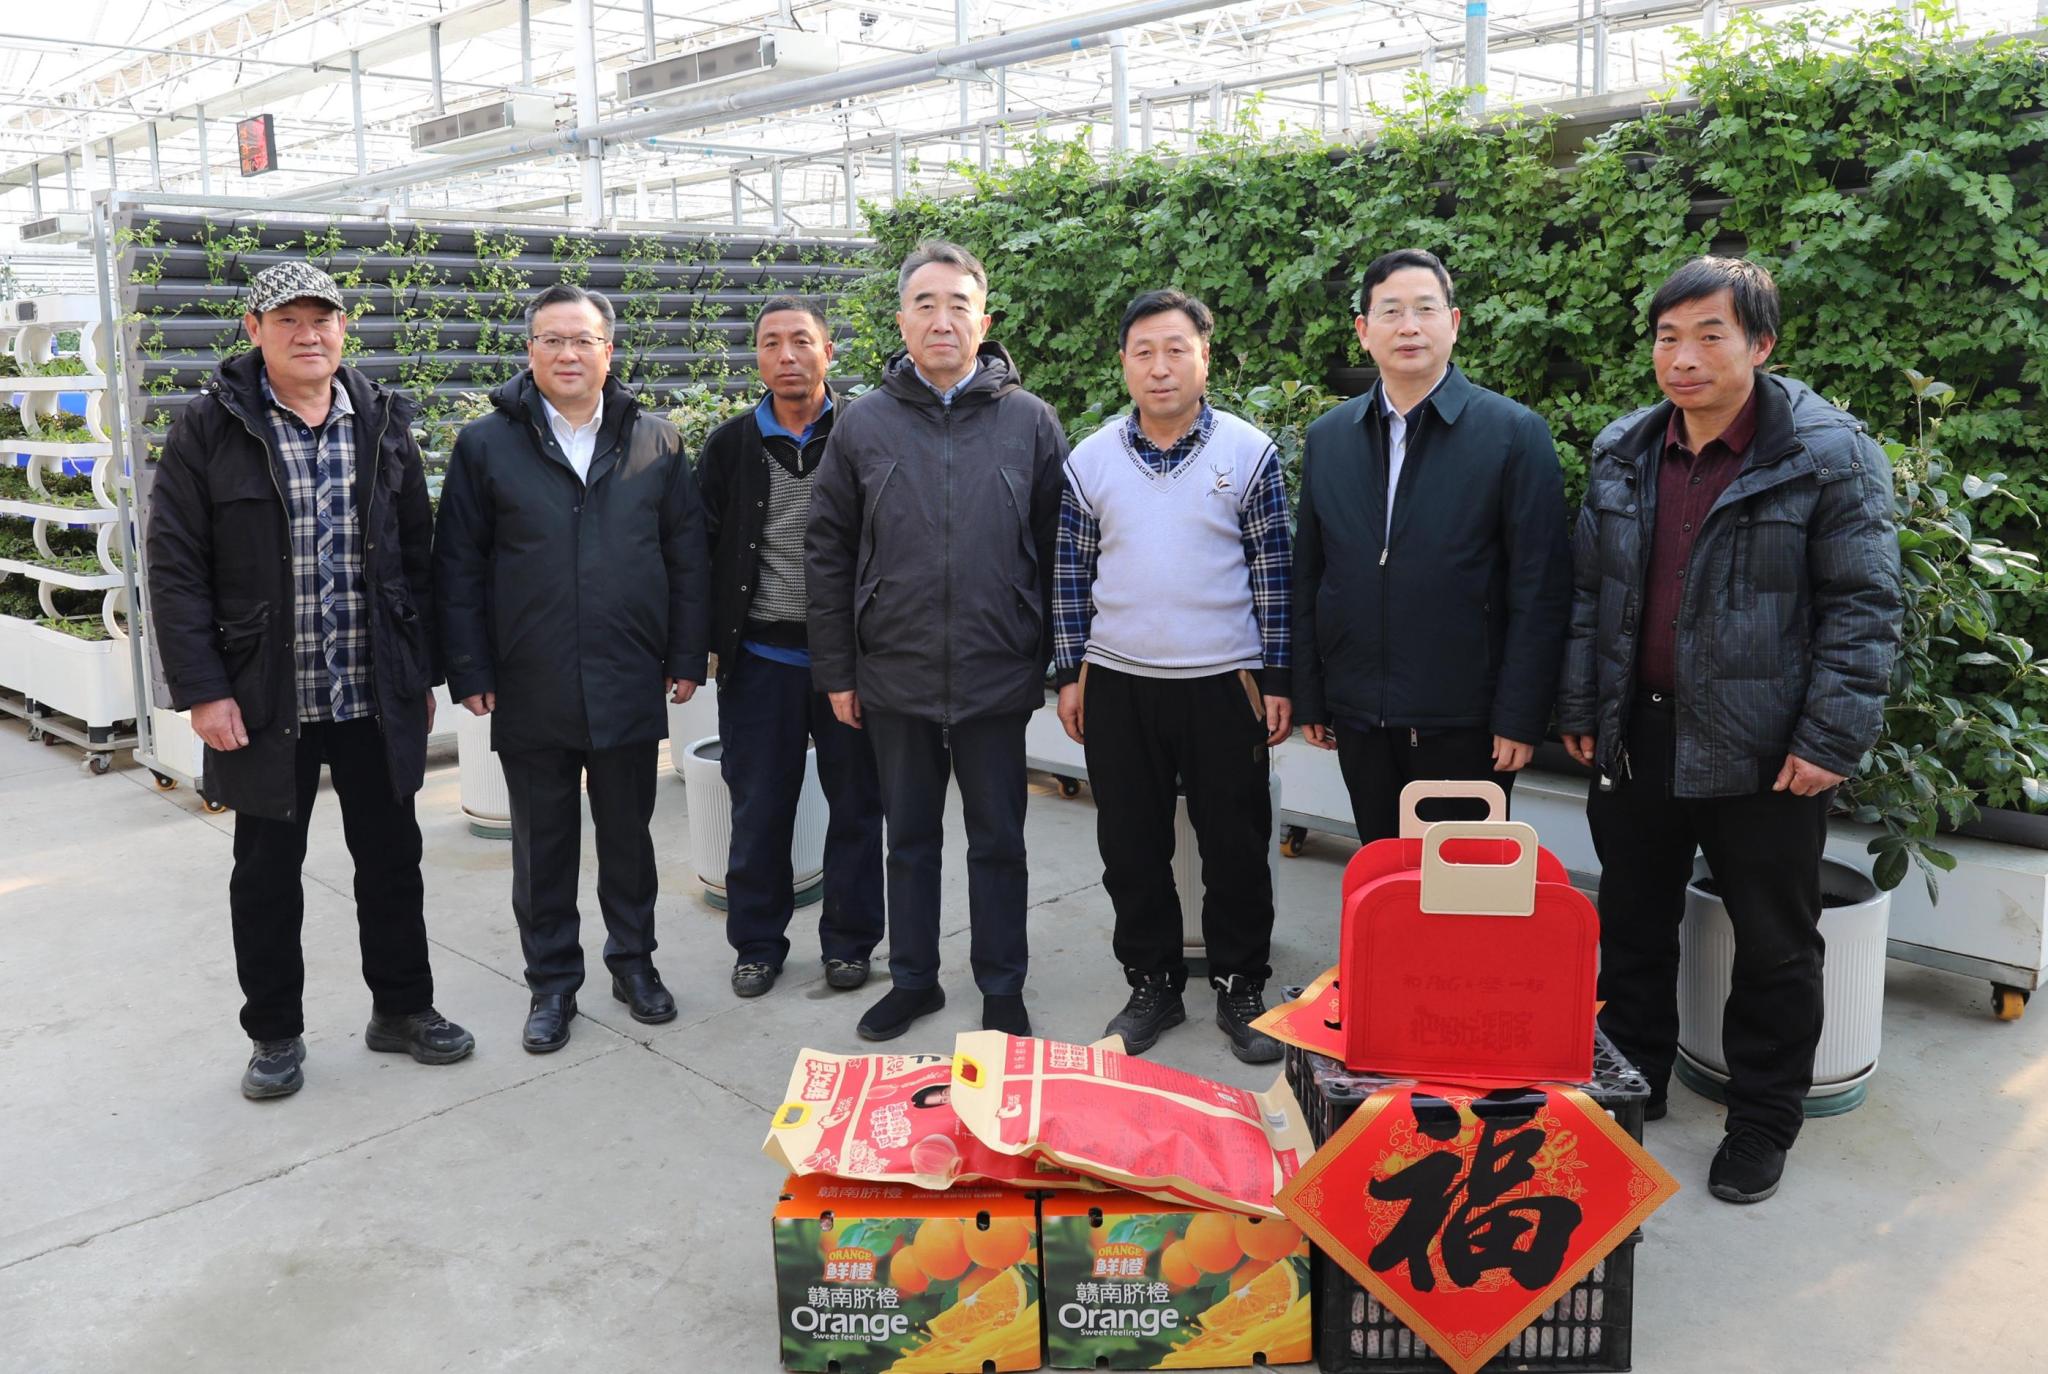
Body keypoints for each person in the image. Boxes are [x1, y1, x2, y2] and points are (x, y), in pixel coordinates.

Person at [1558, 256, 1901, 1204]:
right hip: (1640, 736)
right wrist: (1583, 707)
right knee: (1632, 920)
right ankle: (1634, 1078)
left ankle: (1762, 1119)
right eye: (1668, 336)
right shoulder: (1625, 449)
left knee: (1776, 941)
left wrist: (1829, 739)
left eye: (1711, 335)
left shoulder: (1828, 455)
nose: (1684, 357)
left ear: (1761, 345)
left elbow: (1865, 607)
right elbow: (1590, 595)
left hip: (1766, 750)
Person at [147, 261, 473, 1099]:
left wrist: (418, 671)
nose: (307, 334)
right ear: (253, 331)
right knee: (265, 873)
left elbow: (415, 554)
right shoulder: (209, 427)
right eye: (286, 320)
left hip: (370, 687)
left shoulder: (382, 417)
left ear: (342, 328)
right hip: (264, 695)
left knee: (392, 859)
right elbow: (175, 567)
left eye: (321, 318)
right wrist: (203, 688)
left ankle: (402, 1009)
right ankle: (274, 1034)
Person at [434, 282, 710, 1054]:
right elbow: (458, 565)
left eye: (583, 340)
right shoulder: (486, 445)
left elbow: (688, 557)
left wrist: (686, 654)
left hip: (626, 674)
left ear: (607, 352)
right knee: (542, 844)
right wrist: (469, 668)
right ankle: (552, 984)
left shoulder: (656, 441)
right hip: (532, 678)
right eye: (551, 339)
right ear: (530, 351)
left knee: (629, 837)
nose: (567, 354)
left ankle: (634, 964)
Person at [806, 240, 1066, 1043]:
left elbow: (1060, 548)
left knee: (999, 842)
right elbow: (828, 549)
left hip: (996, 670)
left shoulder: (1029, 421)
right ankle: (914, 980)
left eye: (959, 304)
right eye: (926, 304)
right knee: (909, 841)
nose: (942, 319)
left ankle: (1002, 984)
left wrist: (1057, 663)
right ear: (902, 321)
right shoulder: (864, 424)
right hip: (895, 671)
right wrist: (838, 670)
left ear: (984, 321)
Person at [1053, 289, 1293, 1063]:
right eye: (1144, 352)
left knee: (1235, 843)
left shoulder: (1248, 453)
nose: (1160, 368)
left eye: (1176, 350)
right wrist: (1069, 673)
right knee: (1130, 844)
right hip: (1118, 684)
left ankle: (1240, 984)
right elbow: (1070, 575)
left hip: (1225, 683)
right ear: (1124, 362)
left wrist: (1278, 678)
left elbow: (1274, 573)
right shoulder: (1090, 459)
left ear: (1205, 358)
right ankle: (1151, 982)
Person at [1292, 248, 1571, 841]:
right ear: (1364, 331)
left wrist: (1521, 715)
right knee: (1382, 871)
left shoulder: (1513, 434)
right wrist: (1312, 695)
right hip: (1360, 717)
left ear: (1454, 322)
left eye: (1425, 308)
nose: (1409, 327)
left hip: (1466, 722)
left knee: (1460, 882)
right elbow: (1311, 575)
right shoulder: (1329, 438)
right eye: (1390, 311)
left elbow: (1541, 590)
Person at [696, 297, 884, 1000]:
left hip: (852, 664)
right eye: (771, 343)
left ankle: (850, 943)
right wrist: (699, 647)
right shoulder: (730, 446)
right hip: (761, 661)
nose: (787, 356)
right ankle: (756, 944)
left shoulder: (865, 435)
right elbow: (700, 549)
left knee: (857, 806)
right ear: (757, 358)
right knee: (759, 808)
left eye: (802, 341)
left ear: (828, 352)